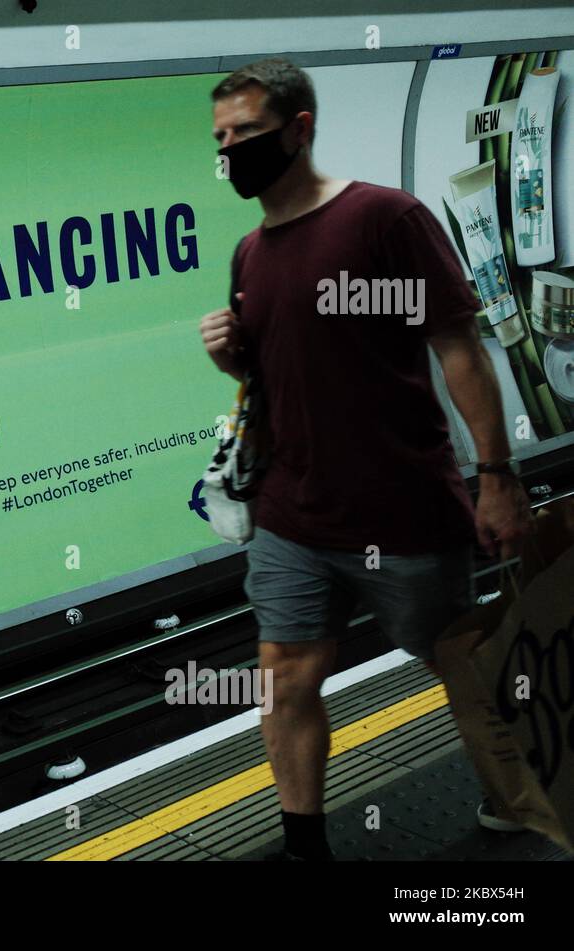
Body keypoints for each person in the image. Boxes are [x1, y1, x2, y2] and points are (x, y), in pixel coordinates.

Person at [198, 57, 537, 861]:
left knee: (456, 663)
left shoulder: (384, 218)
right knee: (284, 674)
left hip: (401, 510)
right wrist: (232, 362)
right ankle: (304, 845)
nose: (230, 150)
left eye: (246, 132)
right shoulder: (250, 253)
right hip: (291, 512)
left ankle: (516, 798)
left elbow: (459, 348)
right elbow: (278, 376)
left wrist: (496, 477)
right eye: (219, 137)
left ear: (299, 129)